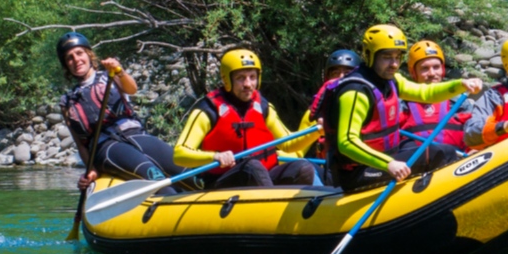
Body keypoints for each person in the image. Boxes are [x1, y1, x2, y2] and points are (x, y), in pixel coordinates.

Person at [323, 24, 484, 193]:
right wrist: (388, 164)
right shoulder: (356, 92)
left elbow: (425, 93)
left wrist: (461, 84)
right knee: (441, 153)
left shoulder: (392, 80)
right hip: (359, 172)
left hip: (385, 158)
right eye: (386, 57)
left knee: (422, 147)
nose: (393, 64)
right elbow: (347, 142)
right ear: (369, 55)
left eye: (397, 57)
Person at [173, 49, 318, 189]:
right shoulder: (208, 110)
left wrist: (317, 131)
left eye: (252, 77)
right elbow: (180, 154)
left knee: (303, 168)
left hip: (263, 178)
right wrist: (215, 157)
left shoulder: (263, 107)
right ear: (227, 79)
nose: (248, 84)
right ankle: (271, 208)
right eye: (240, 78)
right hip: (223, 181)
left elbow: (289, 144)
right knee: (252, 167)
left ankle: (291, 210)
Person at [58, 32, 180, 187]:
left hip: (136, 134)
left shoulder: (111, 75)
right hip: (106, 147)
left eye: (79, 53)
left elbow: (132, 89)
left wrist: (119, 71)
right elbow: (80, 143)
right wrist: (92, 170)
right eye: (70, 57)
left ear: (89, 55)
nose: (76, 60)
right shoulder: (67, 101)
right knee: (153, 175)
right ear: (66, 65)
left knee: (181, 167)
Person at [403, 39, 472, 161]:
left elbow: (474, 133)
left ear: (443, 69)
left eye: (436, 67)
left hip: (456, 164)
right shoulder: (402, 103)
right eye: (424, 68)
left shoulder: (460, 102)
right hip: (415, 167)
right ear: (414, 72)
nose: (432, 73)